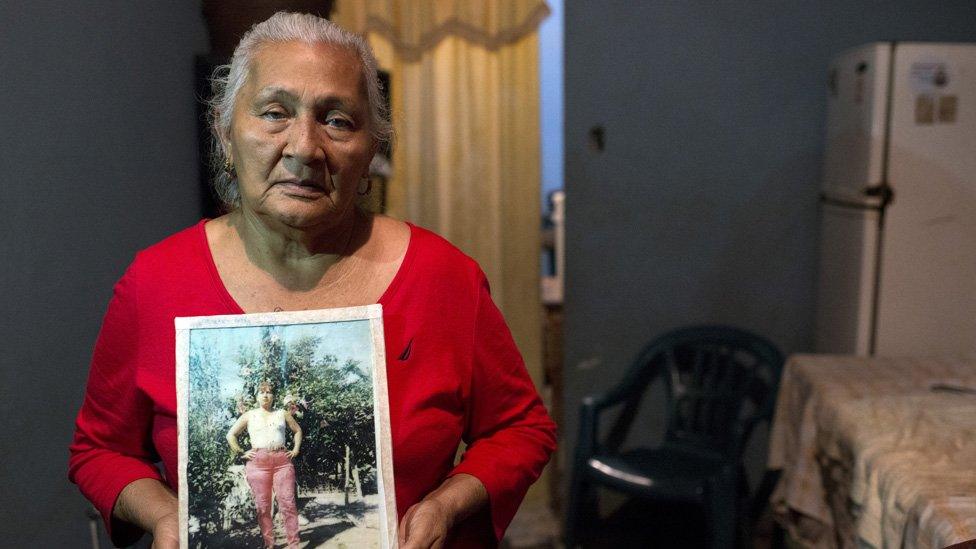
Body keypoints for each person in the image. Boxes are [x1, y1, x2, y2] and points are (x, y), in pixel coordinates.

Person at [68, 11, 556, 549]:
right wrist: (164, 516)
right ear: (226, 134)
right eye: (275, 113)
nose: (304, 147)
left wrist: (446, 505)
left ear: (372, 149)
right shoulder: (155, 282)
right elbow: (99, 450)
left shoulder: (443, 278)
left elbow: (521, 430)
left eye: (338, 120)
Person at [226, 381, 303, 549]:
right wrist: (241, 452)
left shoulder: (282, 413)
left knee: (288, 504)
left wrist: (295, 449)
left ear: (274, 396)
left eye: (269, 392)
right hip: (258, 465)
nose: (265, 395)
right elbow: (231, 435)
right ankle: (269, 544)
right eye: (262, 392)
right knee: (263, 506)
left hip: (282, 463)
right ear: (257, 396)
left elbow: (297, 430)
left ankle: (294, 544)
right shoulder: (249, 415)